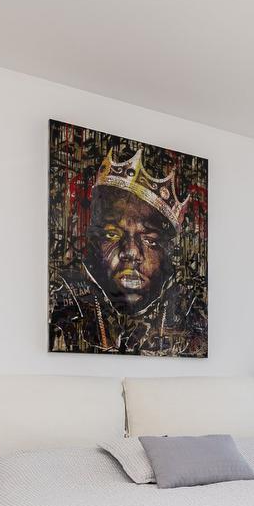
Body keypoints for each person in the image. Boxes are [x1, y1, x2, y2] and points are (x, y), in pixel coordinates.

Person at [49, 148, 207, 356]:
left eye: (150, 240)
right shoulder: (59, 304)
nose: (131, 252)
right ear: (93, 240)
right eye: (113, 235)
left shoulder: (190, 313)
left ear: (168, 252)